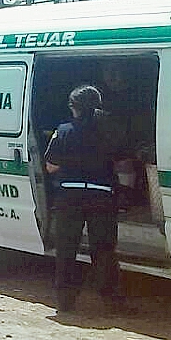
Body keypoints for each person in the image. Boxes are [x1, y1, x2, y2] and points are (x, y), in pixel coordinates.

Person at [44, 84, 125, 314]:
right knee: (104, 249)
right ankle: (110, 299)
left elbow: (51, 166)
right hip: (102, 196)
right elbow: (123, 161)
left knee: (67, 248)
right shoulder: (111, 131)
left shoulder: (64, 130)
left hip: (70, 196)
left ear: (74, 108)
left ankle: (66, 302)